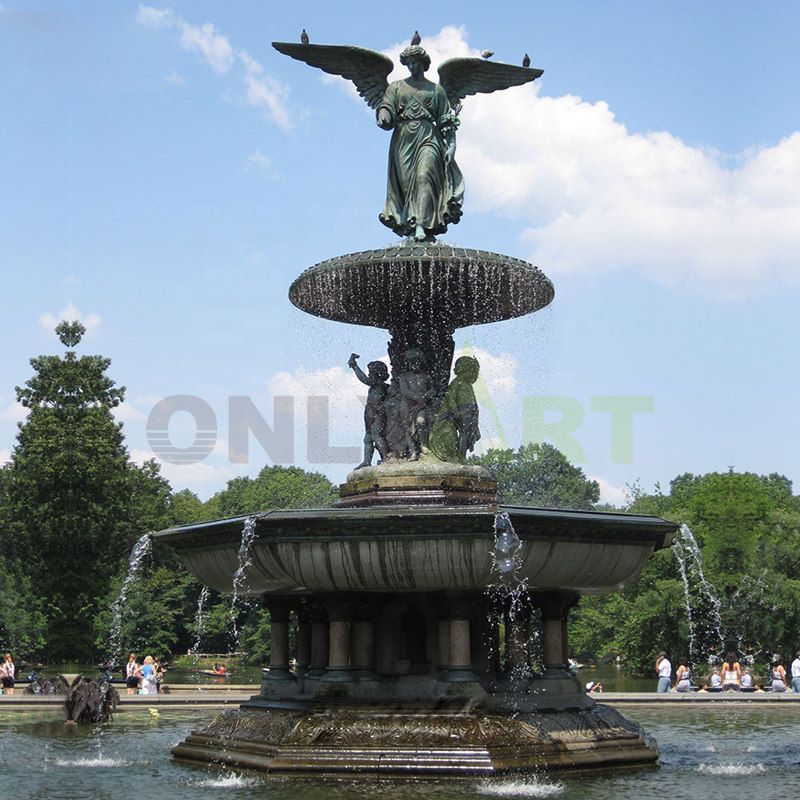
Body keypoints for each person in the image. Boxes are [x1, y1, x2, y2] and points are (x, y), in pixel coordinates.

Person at [377, 45, 464, 241]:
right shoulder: (396, 87)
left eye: (415, 62)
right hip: (403, 139)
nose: (412, 66)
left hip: (428, 137)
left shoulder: (436, 90)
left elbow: (446, 121)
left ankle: (420, 225)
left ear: (423, 64)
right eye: (409, 63)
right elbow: (386, 106)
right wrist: (384, 114)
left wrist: (452, 145)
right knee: (408, 185)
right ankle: (409, 222)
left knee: (424, 176)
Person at [348, 354, 390, 468]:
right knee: (368, 437)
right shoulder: (381, 386)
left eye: (371, 372)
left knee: (377, 436)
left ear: (377, 374)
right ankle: (367, 461)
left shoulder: (378, 384)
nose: (369, 375)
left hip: (377, 413)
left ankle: (387, 458)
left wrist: (355, 366)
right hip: (370, 412)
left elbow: (363, 379)